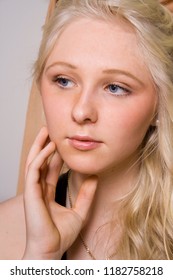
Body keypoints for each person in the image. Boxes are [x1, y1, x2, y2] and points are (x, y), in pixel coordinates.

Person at [0, 0, 173, 260]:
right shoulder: (6, 230)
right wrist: (39, 258)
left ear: (159, 105)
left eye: (115, 87)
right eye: (64, 80)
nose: (81, 112)